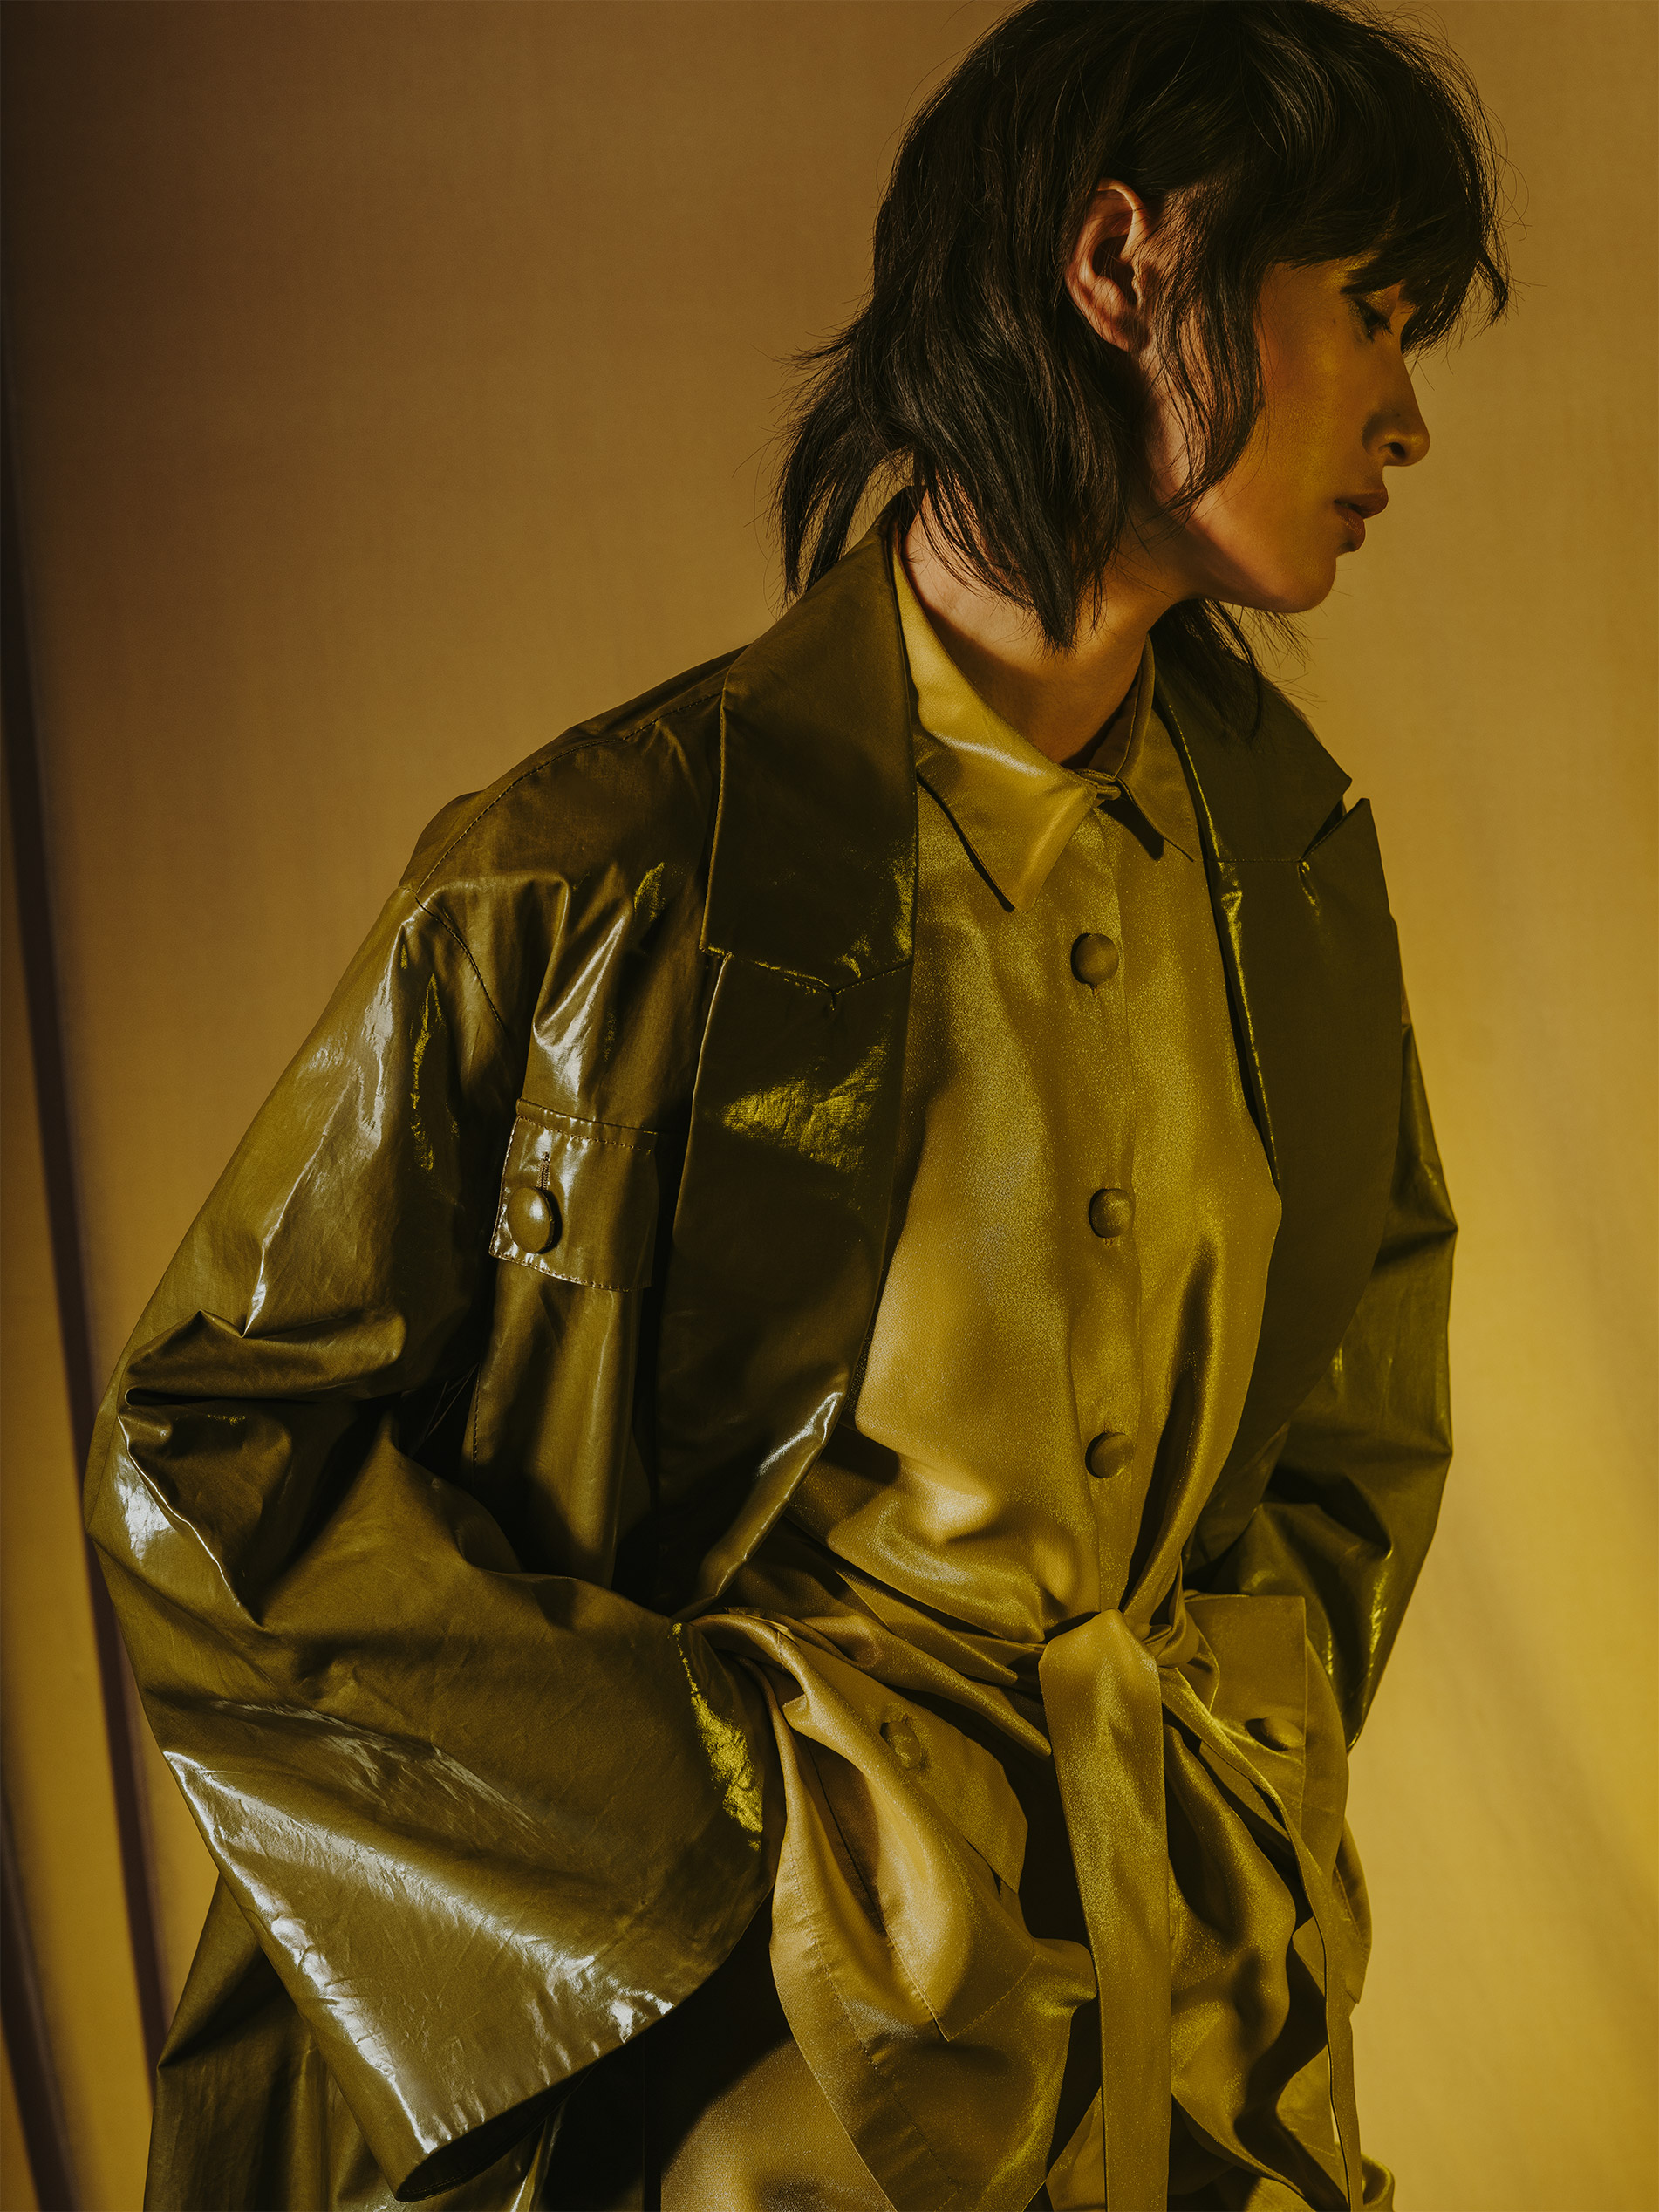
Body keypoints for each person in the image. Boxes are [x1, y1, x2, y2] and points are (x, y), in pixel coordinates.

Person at [85, 3, 1510, 2207]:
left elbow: (1353, 1412)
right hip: (757, 2086)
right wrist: (709, 1826)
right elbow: (216, 1448)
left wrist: (1245, 1749)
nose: (1408, 413)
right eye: (1375, 311)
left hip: (1192, 2021)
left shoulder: (1291, 857)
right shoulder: (599, 864)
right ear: (1121, 263)